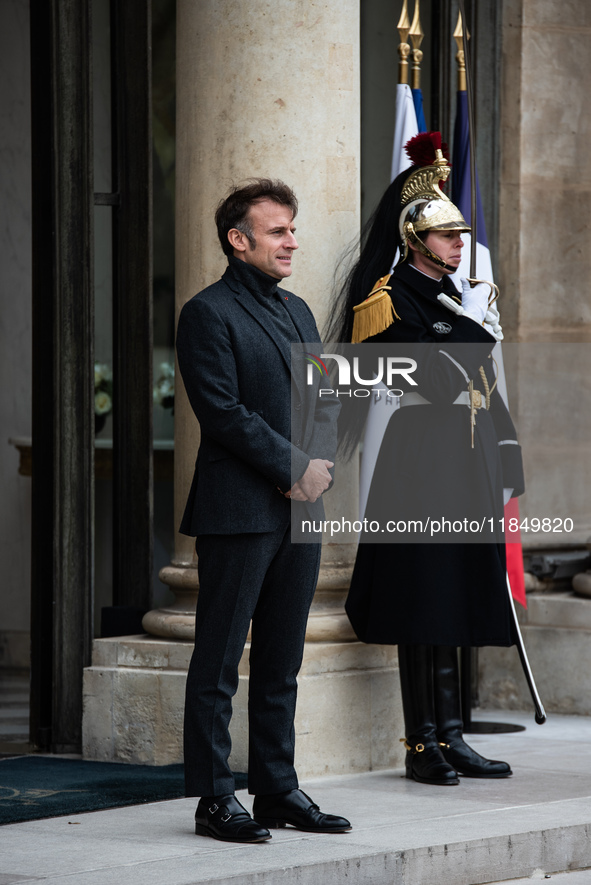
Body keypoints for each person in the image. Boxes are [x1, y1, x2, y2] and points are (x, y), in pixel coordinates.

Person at [326, 133, 525, 786]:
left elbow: (479, 386)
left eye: (459, 235)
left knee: (461, 589)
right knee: (424, 597)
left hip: (464, 460)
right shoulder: (389, 299)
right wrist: (468, 326)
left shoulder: (453, 300)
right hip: (417, 465)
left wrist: (506, 456)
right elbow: (436, 379)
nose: (457, 245)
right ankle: (420, 742)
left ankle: (451, 732)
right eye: (444, 237)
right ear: (415, 242)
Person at [176, 179, 349, 843]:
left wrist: (320, 464)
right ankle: (215, 796)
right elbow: (221, 412)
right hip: (238, 510)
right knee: (219, 658)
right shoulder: (206, 312)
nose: (291, 241)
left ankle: (276, 787)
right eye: (277, 231)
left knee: (281, 659)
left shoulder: (300, 310)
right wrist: (291, 467)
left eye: (291, 229)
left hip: (303, 509)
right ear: (237, 239)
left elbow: (326, 392)